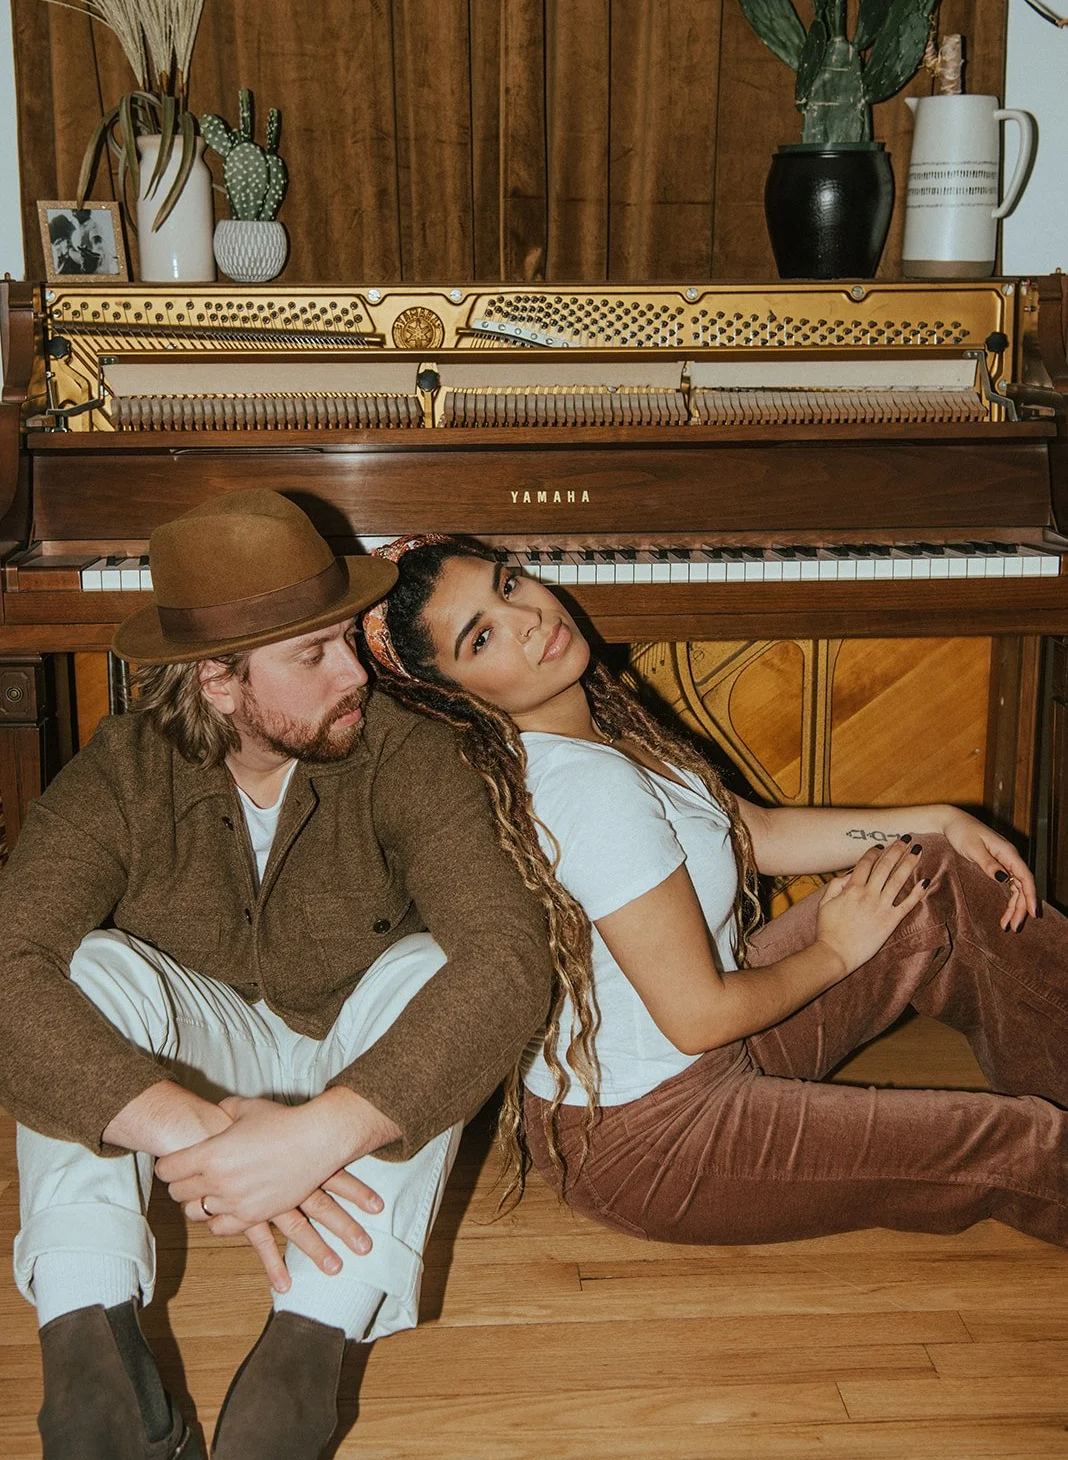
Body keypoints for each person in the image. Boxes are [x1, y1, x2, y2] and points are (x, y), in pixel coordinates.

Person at [0, 494, 552, 1460]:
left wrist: (326, 1133)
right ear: (216, 680)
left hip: (357, 1046)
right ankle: (94, 1359)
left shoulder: (408, 753)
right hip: (200, 1056)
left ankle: (306, 1347)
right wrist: (189, 1127)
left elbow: (510, 957)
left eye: (348, 640)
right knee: (84, 969)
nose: (356, 676)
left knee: (436, 966)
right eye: (313, 657)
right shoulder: (122, 772)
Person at [361, 534, 1066, 1252]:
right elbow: (697, 1018)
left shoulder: (599, 725)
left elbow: (753, 831)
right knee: (1019, 1143)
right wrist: (834, 951)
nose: (530, 619)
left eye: (508, 585)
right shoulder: (584, 788)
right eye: (482, 637)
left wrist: (941, 822)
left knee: (933, 872)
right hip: (652, 1140)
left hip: (713, 1053)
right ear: (453, 696)